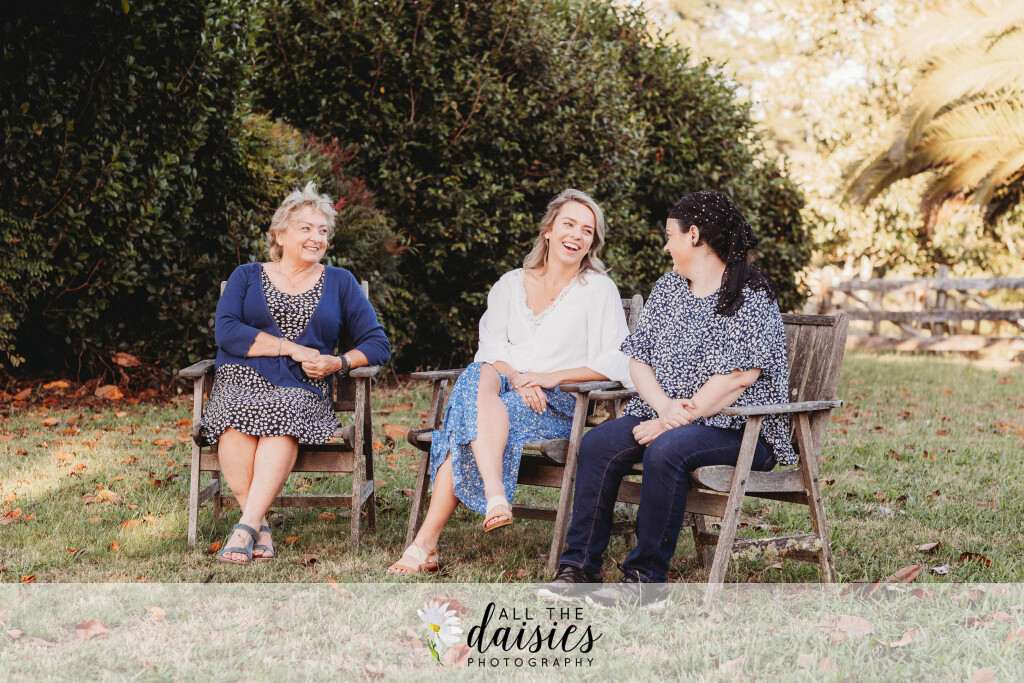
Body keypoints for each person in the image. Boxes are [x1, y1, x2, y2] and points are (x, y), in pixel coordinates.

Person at [539, 190, 794, 607]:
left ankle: (646, 581)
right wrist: (663, 409)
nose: (666, 246)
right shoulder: (670, 287)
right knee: (598, 444)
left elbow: (737, 378)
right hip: (670, 415)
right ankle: (579, 568)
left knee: (666, 449)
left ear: (694, 235)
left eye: (670, 236)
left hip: (740, 428)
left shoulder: (750, 294)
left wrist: (672, 421)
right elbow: (638, 359)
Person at [387, 189, 633, 574]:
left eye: (587, 230)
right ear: (548, 230)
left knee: (465, 418)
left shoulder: (598, 289)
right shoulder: (510, 283)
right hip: (505, 387)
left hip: (558, 401)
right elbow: (489, 349)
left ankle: (425, 544)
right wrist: (518, 378)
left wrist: (548, 377)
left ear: (593, 242)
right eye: (569, 224)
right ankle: (495, 494)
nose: (577, 235)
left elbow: (616, 360)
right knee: (476, 376)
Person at [201, 181, 391, 564]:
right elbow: (227, 332)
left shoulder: (340, 282)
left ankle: (246, 526)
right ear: (280, 234)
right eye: (306, 228)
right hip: (241, 379)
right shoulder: (245, 275)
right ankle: (259, 526)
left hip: (302, 387)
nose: (316, 238)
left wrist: (338, 362)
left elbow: (377, 343)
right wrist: (289, 347)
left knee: (285, 409)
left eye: (322, 231)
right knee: (233, 413)